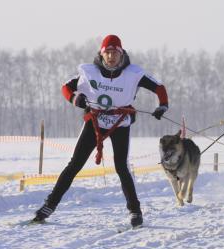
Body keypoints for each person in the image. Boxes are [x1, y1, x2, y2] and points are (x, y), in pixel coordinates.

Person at [33, 35, 169, 227]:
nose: (111, 56)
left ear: (121, 54)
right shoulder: (90, 72)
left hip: (120, 123)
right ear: (102, 54)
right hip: (95, 121)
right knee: (75, 164)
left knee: (121, 166)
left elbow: (159, 88)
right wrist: (75, 99)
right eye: (108, 52)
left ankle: (135, 212)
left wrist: (162, 106)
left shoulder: (133, 73)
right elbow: (66, 88)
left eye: (115, 52)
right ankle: (48, 206)